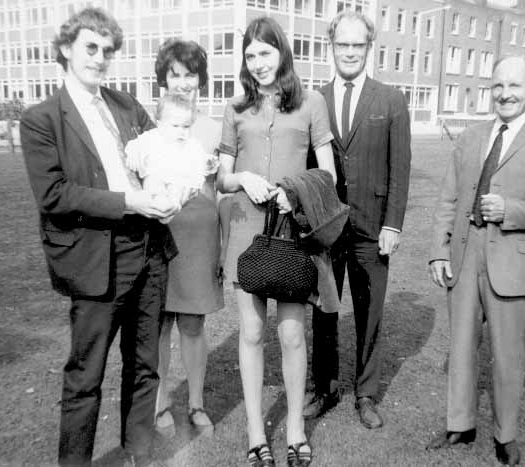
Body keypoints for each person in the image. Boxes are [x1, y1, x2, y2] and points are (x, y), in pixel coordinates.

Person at [19, 7, 181, 467]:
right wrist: (130, 201)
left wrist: (171, 189)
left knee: (144, 365)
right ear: (67, 49)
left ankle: (137, 456)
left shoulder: (126, 105)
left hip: (149, 251)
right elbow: (54, 194)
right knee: (85, 376)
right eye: (91, 47)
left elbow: (164, 154)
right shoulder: (41, 119)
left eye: (107, 50)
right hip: (95, 259)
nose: (100, 58)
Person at [426, 55, 525, 466]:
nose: (506, 94)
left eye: (516, 86)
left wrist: (510, 209)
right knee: (461, 346)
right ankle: (460, 424)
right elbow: (448, 199)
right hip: (464, 251)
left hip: (513, 258)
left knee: (508, 354)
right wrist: (439, 250)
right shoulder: (471, 137)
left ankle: (505, 435)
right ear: (490, 88)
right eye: (498, 86)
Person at [216, 16, 336, 467]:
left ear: (282, 53)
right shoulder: (235, 108)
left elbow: (329, 173)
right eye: (250, 54)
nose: (258, 62)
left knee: (290, 335)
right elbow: (222, 180)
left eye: (265, 52)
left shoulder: (311, 103)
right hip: (247, 233)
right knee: (250, 332)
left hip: (292, 232)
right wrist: (241, 176)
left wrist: (294, 190)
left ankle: (296, 430)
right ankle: (253, 431)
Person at [304, 10, 411, 430]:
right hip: (328, 229)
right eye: (342, 44)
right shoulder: (316, 99)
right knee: (324, 311)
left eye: (357, 44)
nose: (349, 52)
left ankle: (365, 394)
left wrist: (393, 225)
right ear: (331, 47)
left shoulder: (391, 99)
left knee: (370, 313)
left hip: (372, 229)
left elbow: (399, 169)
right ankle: (325, 388)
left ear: (369, 47)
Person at [148, 39, 228, 436]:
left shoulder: (213, 128)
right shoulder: (150, 127)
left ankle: (196, 404)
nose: (181, 83)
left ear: (201, 80)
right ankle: (160, 405)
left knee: (193, 326)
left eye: (189, 74)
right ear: (162, 80)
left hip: (199, 241)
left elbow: (223, 186)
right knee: (158, 324)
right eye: (173, 75)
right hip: (160, 238)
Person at [125, 93, 219, 214]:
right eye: (175, 126)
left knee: (181, 188)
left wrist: (208, 164)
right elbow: (134, 145)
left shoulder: (191, 144)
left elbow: (200, 159)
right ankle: (158, 204)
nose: (181, 132)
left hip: (180, 178)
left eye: (186, 127)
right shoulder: (152, 137)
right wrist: (133, 157)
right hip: (157, 174)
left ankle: (173, 206)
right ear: (159, 124)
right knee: (152, 182)